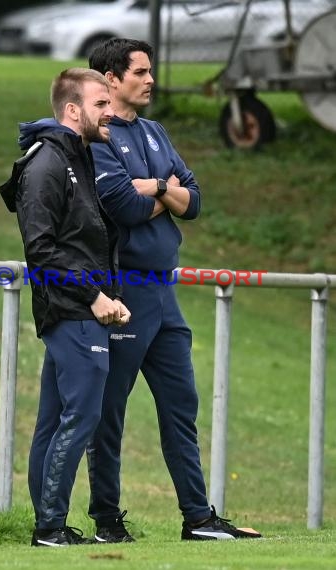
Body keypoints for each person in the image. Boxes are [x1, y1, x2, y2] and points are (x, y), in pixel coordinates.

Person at [85, 38, 262, 542]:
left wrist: (158, 187)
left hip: (166, 294)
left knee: (182, 406)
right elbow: (123, 206)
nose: (151, 79)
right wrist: (163, 190)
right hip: (123, 294)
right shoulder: (97, 137)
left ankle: (198, 518)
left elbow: (196, 200)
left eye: (150, 71)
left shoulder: (156, 131)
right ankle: (106, 521)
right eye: (140, 72)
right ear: (111, 79)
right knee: (109, 414)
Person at [0, 67, 131, 547]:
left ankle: (49, 524)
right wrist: (95, 297)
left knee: (55, 421)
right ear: (73, 110)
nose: (110, 112)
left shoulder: (80, 156)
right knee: (81, 418)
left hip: (81, 309)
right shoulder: (47, 163)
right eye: (100, 104)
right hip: (72, 311)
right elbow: (42, 252)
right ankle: (50, 528)